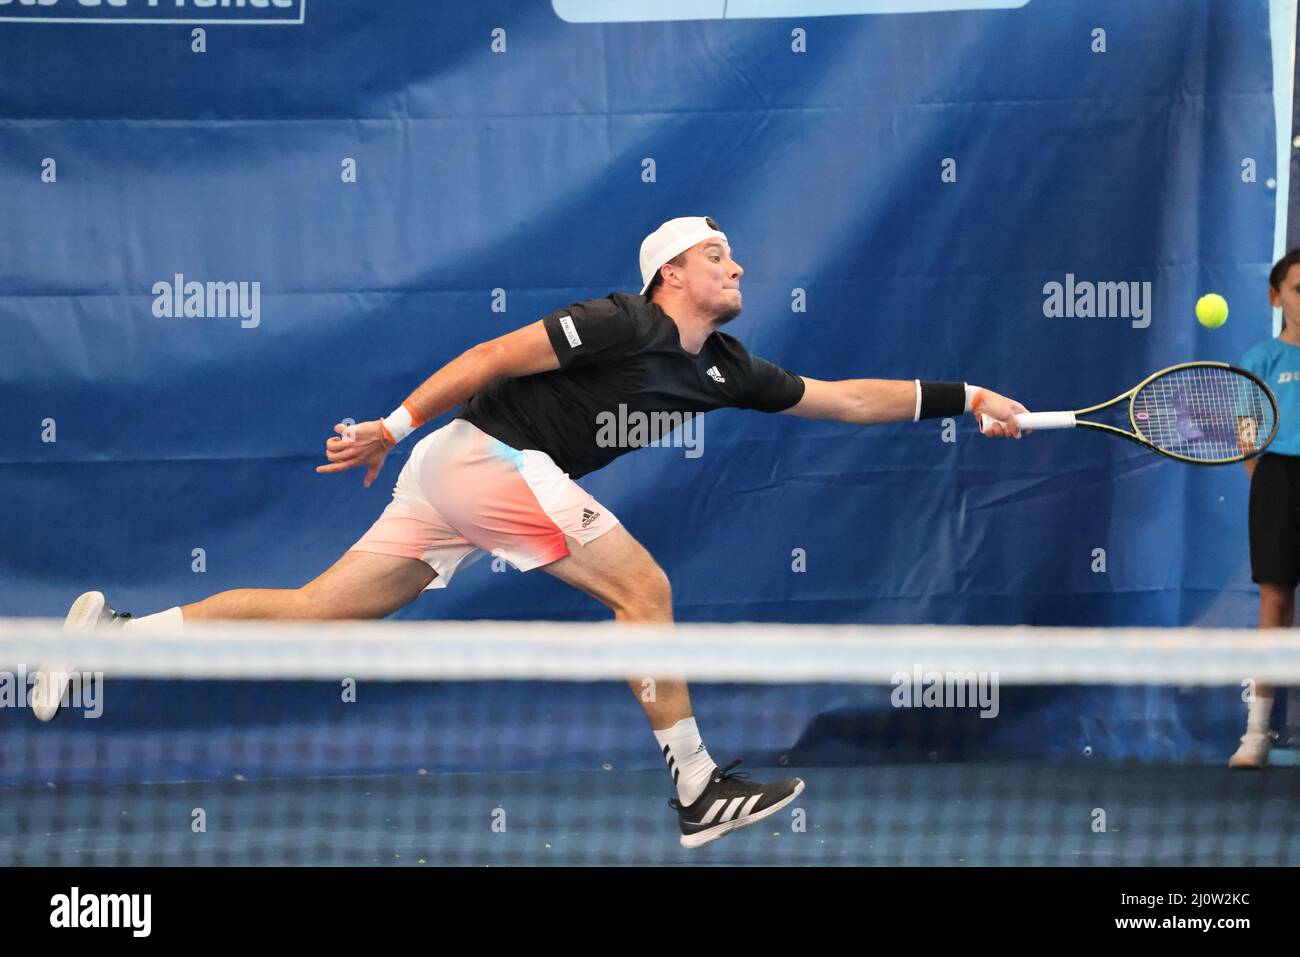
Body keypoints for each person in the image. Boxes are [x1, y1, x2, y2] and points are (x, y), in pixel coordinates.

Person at [36, 216, 1029, 846]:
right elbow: (488, 355)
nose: (736, 266)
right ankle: (695, 787)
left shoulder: (722, 366)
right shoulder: (619, 322)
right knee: (645, 593)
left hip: (466, 486)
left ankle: (113, 638)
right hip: (477, 459)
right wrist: (391, 424)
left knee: (315, 617)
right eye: (715, 255)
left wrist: (972, 394)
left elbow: (848, 400)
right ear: (668, 275)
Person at [1231, 249, 1300, 769]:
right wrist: (1272, 488)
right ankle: (1256, 735)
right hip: (1277, 481)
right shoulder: (1260, 362)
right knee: (1274, 606)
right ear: (1276, 297)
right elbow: (1247, 441)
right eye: (1299, 290)